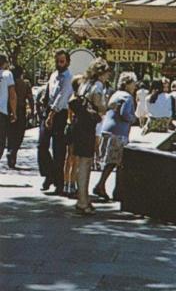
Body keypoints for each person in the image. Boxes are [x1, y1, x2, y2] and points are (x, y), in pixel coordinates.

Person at [93, 72, 137, 202]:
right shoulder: (128, 97)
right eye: (133, 84)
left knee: (112, 161)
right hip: (119, 132)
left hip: (107, 130)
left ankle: (114, 189)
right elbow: (124, 114)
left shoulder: (115, 95)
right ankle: (103, 186)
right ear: (127, 84)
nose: (135, 86)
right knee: (116, 162)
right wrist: (133, 119)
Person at [67, 74, 104, 213]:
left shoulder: (77, 103)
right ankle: (82, 200)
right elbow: (101, 110)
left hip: (78, 129)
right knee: (84, 163)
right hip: (86, 131)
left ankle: (82, 197)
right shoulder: (86, 103)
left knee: (79, 162)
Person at [38, 50, 73, 194]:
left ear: (67, 62)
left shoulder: (68, 78)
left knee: (59, 149)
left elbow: (62, 97)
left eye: (62, 61)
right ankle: (49, 174)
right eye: (57, 61)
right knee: (42, 145)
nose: (59, 64)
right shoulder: (53, 75)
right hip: (48, 111)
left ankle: (59, 181)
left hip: (60, 114)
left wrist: (52, 114)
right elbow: (49, 92)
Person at [5, 66, 32, 169]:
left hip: (8, 109)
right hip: (21, 110)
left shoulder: (7, 83)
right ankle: (13, 151)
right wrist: (32, 110)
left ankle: (10, 151)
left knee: (10, 133)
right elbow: (30, 98)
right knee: (19, 134)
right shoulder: (25, 84)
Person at [0, 55, 15, 168]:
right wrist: (14, 112)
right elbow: (12, 95)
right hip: (2, 113)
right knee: (1, 142)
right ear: (4, 63)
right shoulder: (7, 74)